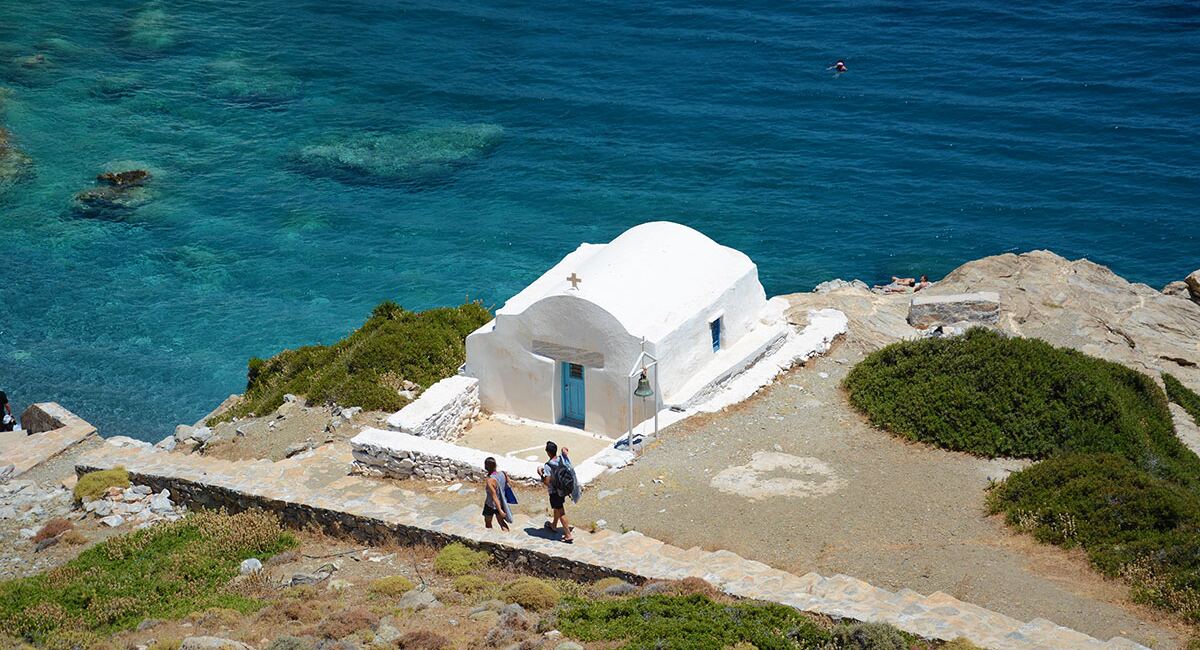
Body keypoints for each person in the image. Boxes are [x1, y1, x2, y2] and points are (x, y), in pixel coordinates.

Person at [538, 441, 575, 543]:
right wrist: (564, 450)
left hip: (555, 492)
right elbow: (565, 452)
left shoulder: (548, 466)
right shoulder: (560, 459)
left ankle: (568, 534)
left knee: (561, 511)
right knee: (556, 508)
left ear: (548, 452)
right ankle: (554, 525)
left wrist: (541, 474)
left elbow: (547, 482)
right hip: (562, 489)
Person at [482, 456, 513, 531]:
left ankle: (490, 538)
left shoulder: (490, 480)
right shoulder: (503, 473)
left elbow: (494, 496)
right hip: (501, 502)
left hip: (490, 504)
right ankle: (507, 537)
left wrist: (500, 510)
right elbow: (509, 484)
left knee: (488, 522)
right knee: (501, 522)